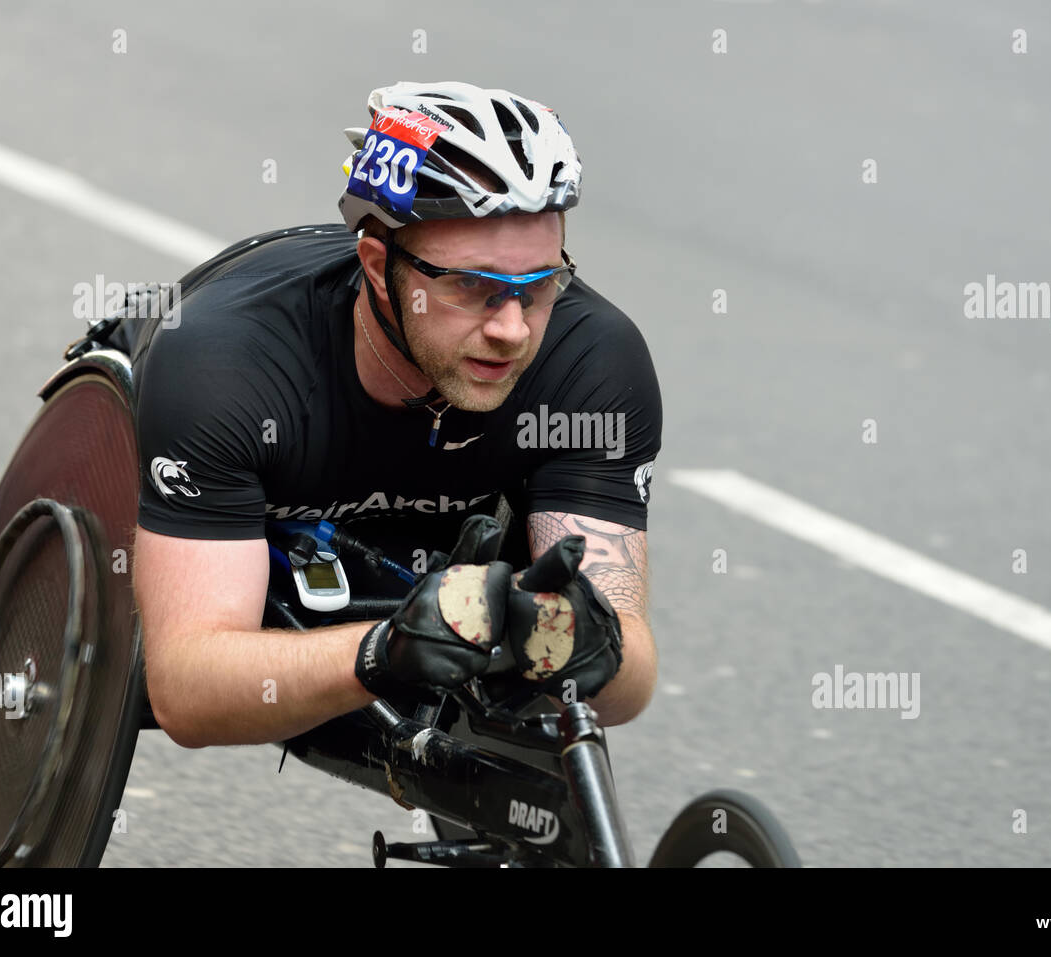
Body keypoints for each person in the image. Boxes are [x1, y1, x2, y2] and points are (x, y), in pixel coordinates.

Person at [127, 81, 663, 748]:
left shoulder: (594, 361)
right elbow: (186, 691)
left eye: (542, 283)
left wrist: (587, 643)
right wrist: (387, 649)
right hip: (252, 465)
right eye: (473, 285)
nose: (513, 329)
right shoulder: (225, 362)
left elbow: (633, 675)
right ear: (380, 267)